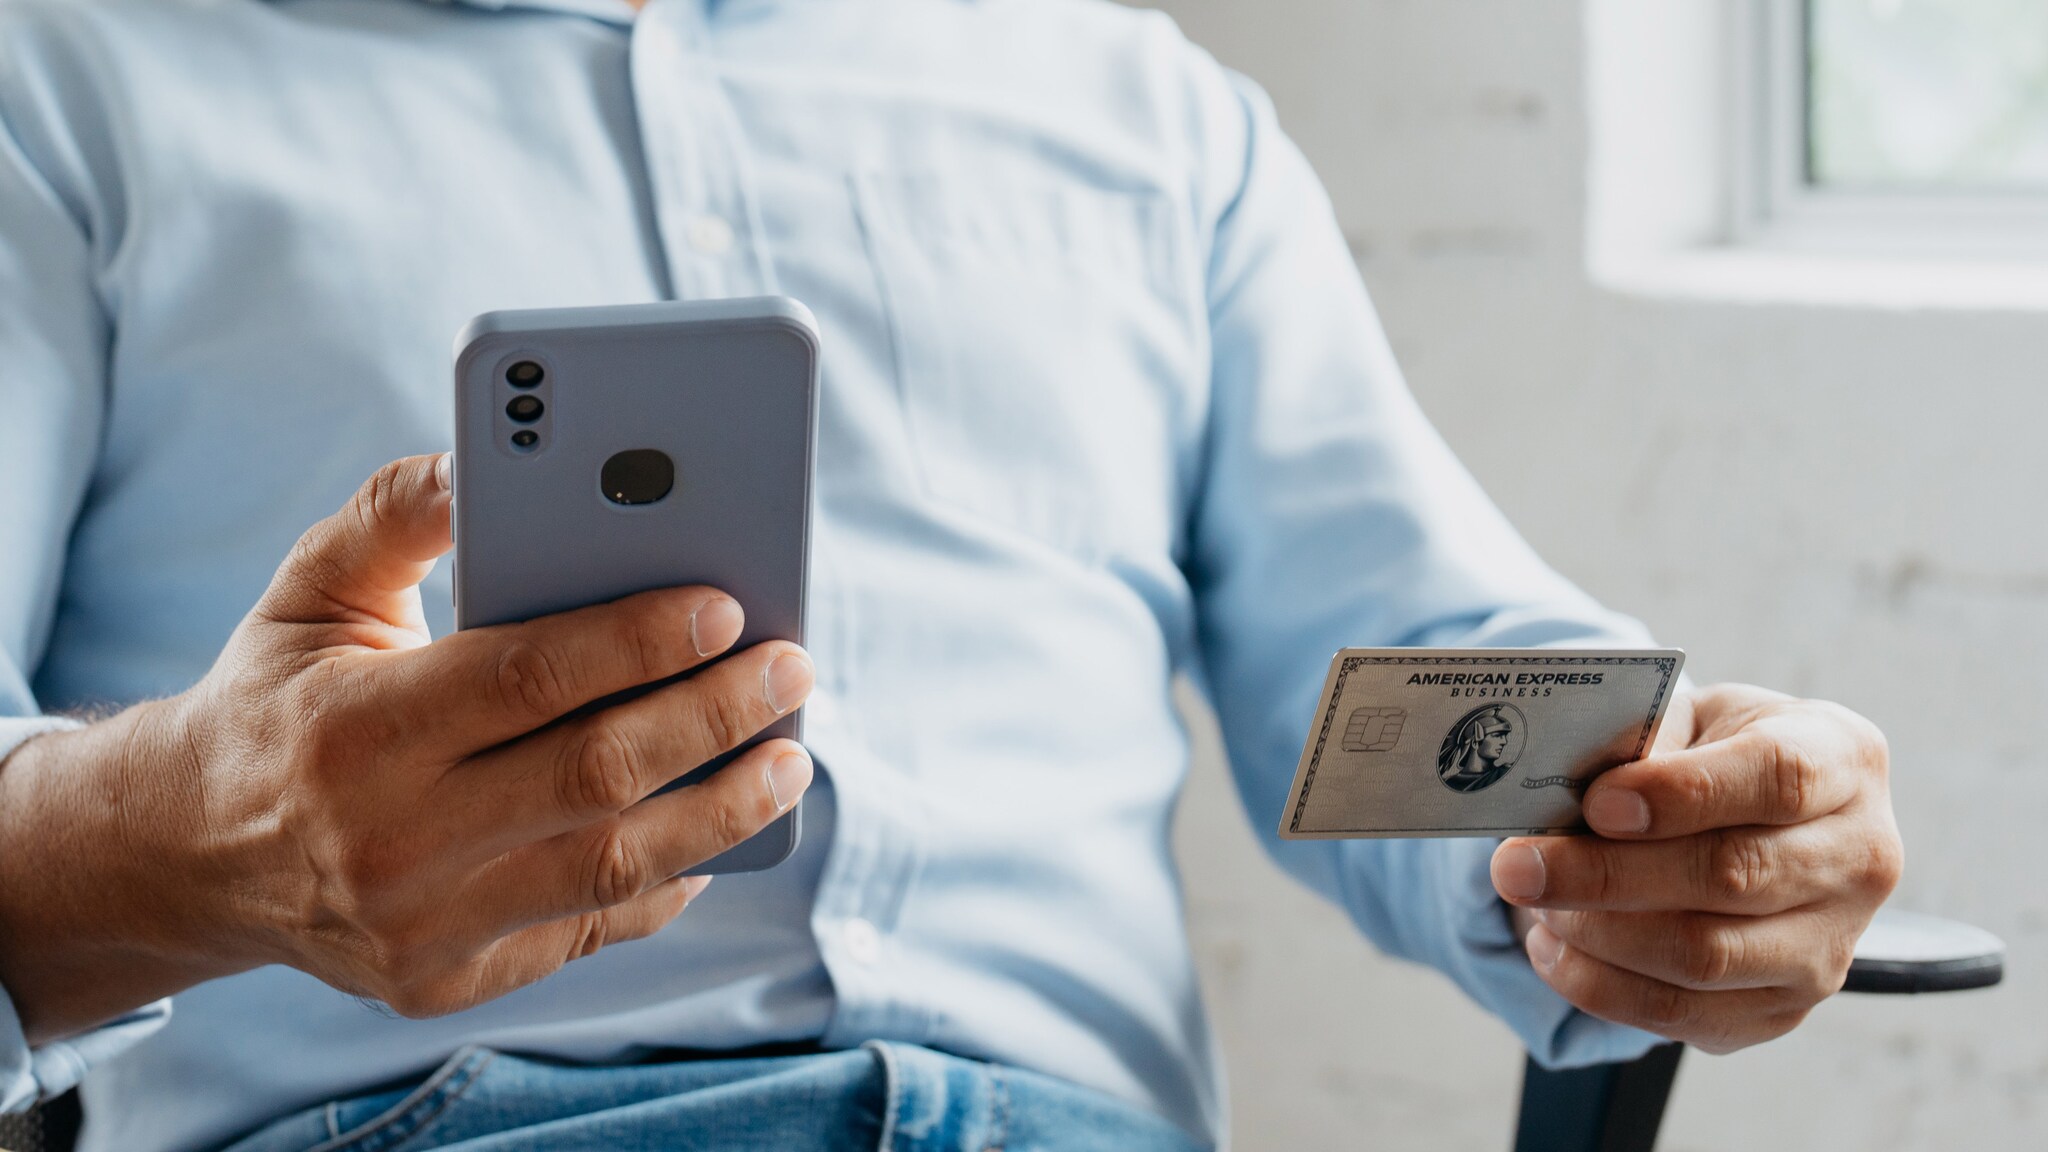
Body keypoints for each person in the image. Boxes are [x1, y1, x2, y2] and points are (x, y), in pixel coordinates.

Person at [0, 0, 1903, 1149]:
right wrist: (207, 840)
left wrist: (1676, 816)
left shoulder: (1142, 113)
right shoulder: (67, 83)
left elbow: (1397, 695)